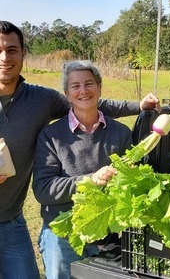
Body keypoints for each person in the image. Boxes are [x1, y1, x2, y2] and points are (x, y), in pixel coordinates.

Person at [0, 21, 160, 279]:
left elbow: (87, 102)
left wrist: (139, 106)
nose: (4, 57)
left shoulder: (41, 99)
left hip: (11, 223)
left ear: (22, 54)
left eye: (12, 49)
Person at [33, 60, 139, 278]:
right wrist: (90, 180)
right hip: (63, 236)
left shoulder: (121, 133)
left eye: (89, 83)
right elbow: (43, 189)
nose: (83, 91)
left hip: (109, 237)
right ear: (67, 94)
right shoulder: (51, 136)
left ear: (100, 87)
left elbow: (132, 182)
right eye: (75, 86)